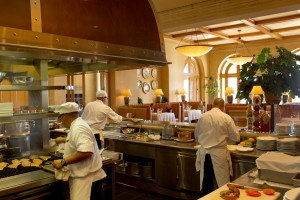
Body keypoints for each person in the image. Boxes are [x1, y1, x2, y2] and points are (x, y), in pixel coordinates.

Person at [52, 102, 106, 200]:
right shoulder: (78, 124)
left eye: (60, 118)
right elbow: (78, 140)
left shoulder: (78, 128)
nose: (61, 121)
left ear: (65, 116)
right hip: (84, 178)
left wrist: (63, 162)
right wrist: (64, 139)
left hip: (87, 181)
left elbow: (86, 152)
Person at [194, 98, 240, 196]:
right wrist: (226, 141)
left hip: (205, 154)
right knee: (222, 187)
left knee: (207, 185)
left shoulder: (203, 117)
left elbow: (196, 135)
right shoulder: (226, 117)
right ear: (223, 106)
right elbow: (235, 137)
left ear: (212, 105)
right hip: (219, 155)